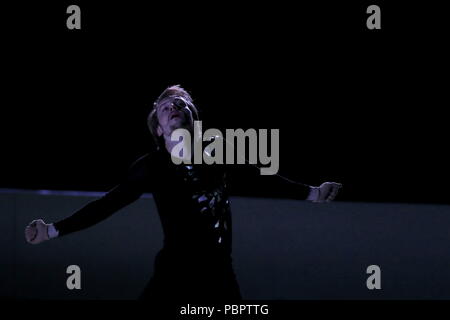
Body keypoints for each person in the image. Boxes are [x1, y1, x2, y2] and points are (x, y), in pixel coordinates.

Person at [24, 85, 342, 301]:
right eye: (166, 107)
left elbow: (261, 177)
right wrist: (52, 230)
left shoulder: (218, 152)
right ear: (159, 129)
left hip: (218, 275)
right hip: (173, 275)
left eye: (181, 105)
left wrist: (312, 194)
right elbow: (108, 204)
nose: (174, 108)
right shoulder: (151, 166)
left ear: (194, 120)